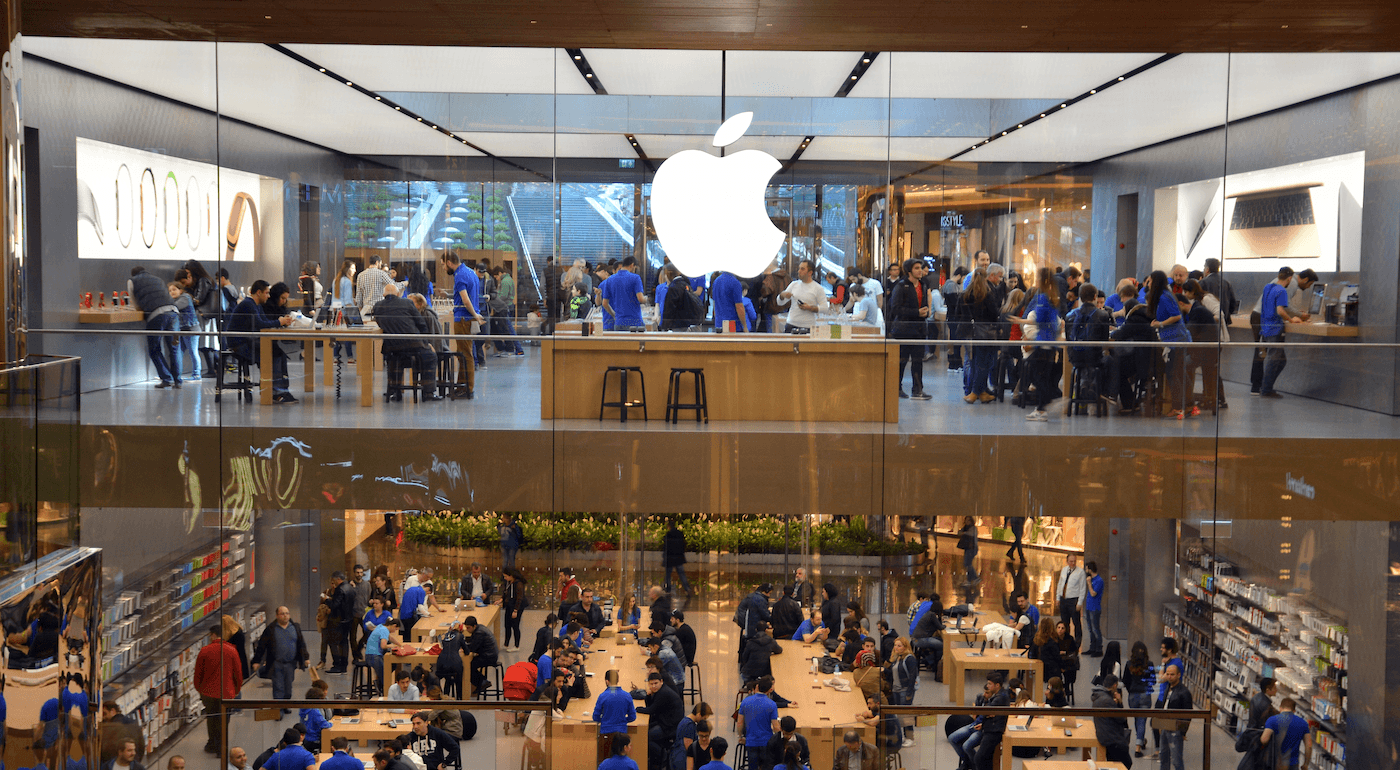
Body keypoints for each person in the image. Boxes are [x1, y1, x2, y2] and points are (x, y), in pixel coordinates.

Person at [228, 279, 297, 403]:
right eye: (266, 293)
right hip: (240, 344)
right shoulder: (248, 304)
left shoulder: (256, 305)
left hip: (247, 341)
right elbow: (260, 324)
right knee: (274, 353)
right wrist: (279, 322)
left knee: (279, 353)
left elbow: (264, 322)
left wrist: (281, 321)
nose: (268, 296)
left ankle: (281, 390)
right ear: (258, 292)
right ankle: (275, 392)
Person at [375, 284, 442, 401]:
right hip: (413, 345)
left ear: (383, 294)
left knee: (393, 360)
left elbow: (381, 324)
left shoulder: (377, 306)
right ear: (398, 294)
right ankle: (428, 392)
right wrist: (425, 343)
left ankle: (395, 391)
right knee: (431, 357)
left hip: (392, 348)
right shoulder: (407, 303)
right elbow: (421, 324)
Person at [1254, 267, 1311, 398]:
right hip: (1275, 328)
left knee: (1280, 360)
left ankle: (1266, 386)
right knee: (1274, 360)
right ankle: (1266, 389)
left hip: (1265, 327)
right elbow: (1280, 310)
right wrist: (1291, 319)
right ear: (1290, 278)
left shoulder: (1268, 287)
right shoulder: (1282, 291)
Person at [127, 267, 181, 387]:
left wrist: (140, 309)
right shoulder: (158, 279)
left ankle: (166, 378)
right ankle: (178, 381)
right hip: (173, 312)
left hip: (156, 315)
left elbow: (134, 302)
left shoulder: (132, 281)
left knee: (154, 349)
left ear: (133, 274)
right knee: (174, 349)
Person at [194, 624, 242, 755]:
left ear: (214, 635)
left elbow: (198, 673)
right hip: (226, 692)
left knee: (211, 719)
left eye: (210, 635)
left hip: (208, 692)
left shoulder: (205, 651)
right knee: (224, 720)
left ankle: (212, 744)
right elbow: (238, 673)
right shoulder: (232, 650)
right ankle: (222, 748)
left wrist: (200, 689)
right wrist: (236, 690)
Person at [440, 251, 483, 399]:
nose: (443, 268)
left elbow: (465, 300)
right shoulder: (470, 272)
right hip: (469, 318)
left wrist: (474, 314)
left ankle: (467, 388)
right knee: (463, 353)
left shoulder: (459, 276)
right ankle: (461, 386)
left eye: (443, 265)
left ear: (449, 263)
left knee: (466, 354)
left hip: (463, 319)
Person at [889, 258, 933, 400]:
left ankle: (917, 389)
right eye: (917, 268)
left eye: (921, 268)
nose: (920, 271)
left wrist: (926, 311)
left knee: (918, 361)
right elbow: (895, 308)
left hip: (919, 329)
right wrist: (916, 312)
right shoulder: (901, 286)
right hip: (904, 330)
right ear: (909, 271)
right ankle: (896, 388)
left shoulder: (923, 285)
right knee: (901, 361)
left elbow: (924, 304)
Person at [251, 606, 310, 706]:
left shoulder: (295, 627)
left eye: (287, 613)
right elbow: (262, 646)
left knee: (288, 688)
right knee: (278, 688)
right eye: (282, 614)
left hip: (290, 664)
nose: (285, 616)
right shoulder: (271, 629)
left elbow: (301, 643)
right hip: (276, 664)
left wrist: (306, 658)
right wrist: (256, 661)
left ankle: (285, 705)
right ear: (277, 616)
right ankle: (279, 709)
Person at [961, 268, 1002, 404]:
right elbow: (994, 314)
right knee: (985, 363)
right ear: (986, 278)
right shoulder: (987, 294)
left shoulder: (967, 293)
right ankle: (974, 393)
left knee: (975, 362)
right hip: (986, 332)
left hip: (971, 332)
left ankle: (982, 392)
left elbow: (961, 313)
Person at [637, 672, 685, 770]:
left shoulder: (663, 693)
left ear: (661, 682)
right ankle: (653, 758)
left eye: (656, 683)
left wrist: (637, 709)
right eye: (651, 684)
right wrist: (648, 695)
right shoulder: (660, 691)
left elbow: (651, 710)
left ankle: (663, 757)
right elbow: (652, 706)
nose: (653, 686)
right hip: (666, 721)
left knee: (645, 737)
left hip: (670, 727)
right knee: (646, 730)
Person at [735, 676, 780, 770]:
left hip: (751, 742)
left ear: (757, 687)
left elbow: (739, 723)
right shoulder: (772, 704)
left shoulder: (745, 702)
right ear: (770, 690)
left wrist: (741, 736)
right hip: (766, 742)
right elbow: (776, 727)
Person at [1155, 663, 1192, 770]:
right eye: (1167, 674)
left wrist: (1183, 731)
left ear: (1178, 675)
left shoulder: (1184, 692)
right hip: (1165, 726)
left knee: (1176, 759)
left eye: (1172, 674)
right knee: (1163, 757)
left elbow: (1188, 714)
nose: (1169, 677)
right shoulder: (1168, 687)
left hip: (1175, 728)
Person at [1091, 674, 1134, 767]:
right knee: (1127, 763)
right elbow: (1122, 718)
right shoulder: (1107, 701)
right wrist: (1120, 703)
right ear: (1115, 685)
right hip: (1112, 738)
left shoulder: (1099, 696)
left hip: (1104, 733)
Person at [775, 259, 829, 333]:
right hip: (791, 324)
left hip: (808, 327)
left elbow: (825, 308)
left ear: (810, 273)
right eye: (799, 268)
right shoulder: (794, 284)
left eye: (802, 269)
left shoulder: (818, 288)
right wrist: (782, 295)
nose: (799, 271)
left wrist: (810, 308)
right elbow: (780, 303)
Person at [1261, 697, 1311, 770]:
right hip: (1292, 764)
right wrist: (1306, 764)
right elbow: (1309, 746)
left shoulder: (1272, 720)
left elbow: (1264, 740)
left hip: (1275, 763)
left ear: (1280, 708)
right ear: (1294, 710)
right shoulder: (1303, 723)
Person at [1123, 641, 1155, 758]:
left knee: (1137, 719)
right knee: (1142, 720)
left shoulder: (1129, 664)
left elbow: (1125, 680)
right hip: (1145, 694)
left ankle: (1139, 741)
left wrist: (1131, 689)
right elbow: (1153, 681)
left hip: (1133, 695)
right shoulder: (1149, 664)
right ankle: (1138, 746)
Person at [599, 256, 647, 330]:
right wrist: (646, 299)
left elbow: (604, 303)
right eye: (635, 268)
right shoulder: (635, 278)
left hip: (619, 322)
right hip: (634, 322)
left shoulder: (610, 280)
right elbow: (641, 299)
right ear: (632, 265)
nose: (635, 270)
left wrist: (614, 315)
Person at [462, 615, 499, 697]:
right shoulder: (480, 628)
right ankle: (481, 683)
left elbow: (473, 648)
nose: (467, 630)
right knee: (471, 665)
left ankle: (482, 682)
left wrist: (463, 647)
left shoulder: (479, 633)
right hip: (490, 654)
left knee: (468, 667)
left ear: (474, 626)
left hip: (489, 657)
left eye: (468, 628)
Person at [1055, 553, 1086, 649]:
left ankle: (1077, 644)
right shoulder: (1064, 570)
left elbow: (1082, 588)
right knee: (1065, 622)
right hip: (1063, 599)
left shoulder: (1080, 572)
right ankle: (1065, 642)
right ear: (1067, 561)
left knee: (1076, 622)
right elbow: (1060, 584)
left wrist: (1080, 602)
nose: (1073, 563)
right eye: (1071, 561)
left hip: (1073, 600)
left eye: (1074, 561)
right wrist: (1057, 598)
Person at [299, 687, 332, 753]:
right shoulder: (314, 710)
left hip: (306, 739)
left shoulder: (303, 708)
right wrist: (331, 724)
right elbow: (323, 724)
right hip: (315, 740)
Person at [662, 520, 691, 595]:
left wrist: (664, 556)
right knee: (681, 574)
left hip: (670, 557)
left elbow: (665, 547)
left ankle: (668, 589)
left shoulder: (668, 535)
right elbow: (683, 544)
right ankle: (687, 588)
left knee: (668, 574)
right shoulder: (680, 534)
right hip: (678, 557)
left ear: (669, 526)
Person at [1084, 560, 1105, 656]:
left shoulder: (1099, 580)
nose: (1085, 571)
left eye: (1086, 569)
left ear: (1090, 569)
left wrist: (1089, 583)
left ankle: (1099, 649)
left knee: (1095, 629)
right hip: (1089, 607)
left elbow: (1093, 593)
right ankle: (1092, 648)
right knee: (1090, 629)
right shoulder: (1092, 579)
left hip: (1095, 608)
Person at [956, 515, 979, 584]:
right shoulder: (965, 528)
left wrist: (963, 533)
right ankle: (969, 580)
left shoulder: (973, 528)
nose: (967, 522)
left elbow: (970, 534)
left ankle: (975, 578)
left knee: (967, 564)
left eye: (968, 520)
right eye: (966, 520)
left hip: (972, 548)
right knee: (967, 564)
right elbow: (959, 533)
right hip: (968, 548)